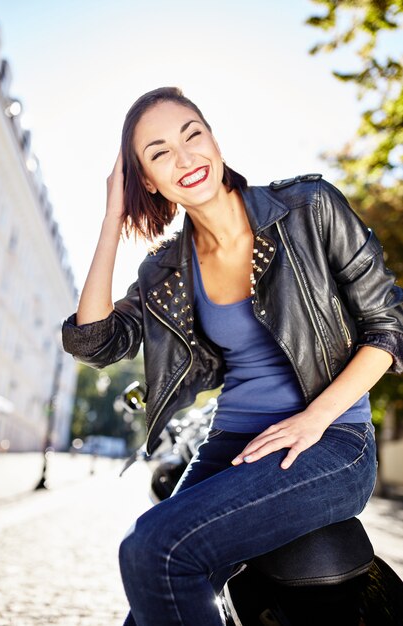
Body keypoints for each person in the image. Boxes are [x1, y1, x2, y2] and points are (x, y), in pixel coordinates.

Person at [62, 86, 403, 626]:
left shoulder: (308, 208)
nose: (184, 157)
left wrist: (315, 418)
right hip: (230, 445)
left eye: (191, 134)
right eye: (158, 153)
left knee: (151, 550)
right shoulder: (168, 271)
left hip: (331, 440)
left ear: (213, 138)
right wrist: (112, 219)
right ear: (146, 181)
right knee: (153, 591)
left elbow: (389, 327)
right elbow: (95, 341)